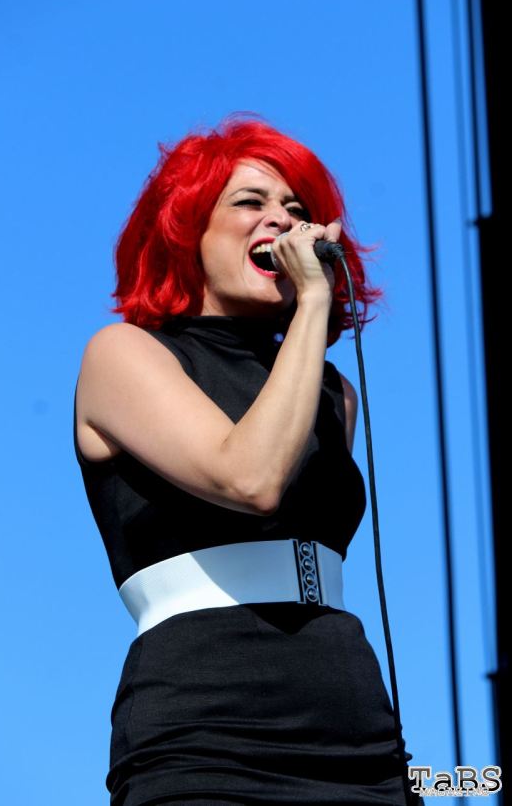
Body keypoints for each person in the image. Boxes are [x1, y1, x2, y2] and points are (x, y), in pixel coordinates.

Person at [73, 113, 422, 805]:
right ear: (186, 230)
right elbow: (250, 479)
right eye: (250, 202)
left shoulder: (332, 393)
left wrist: (310, 318)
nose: (283, 222)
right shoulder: (124, 354)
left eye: (296, 209)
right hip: (208, 722)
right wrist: (314, 302)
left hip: (355, 718)